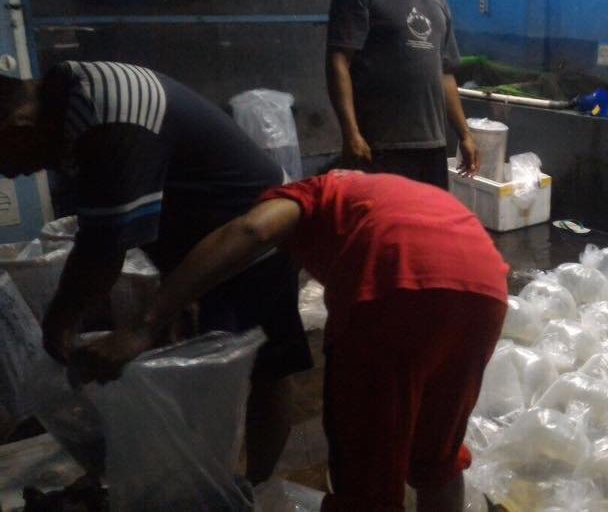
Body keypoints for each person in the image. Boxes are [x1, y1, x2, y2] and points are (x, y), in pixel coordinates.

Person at [74, 170, 509, 511]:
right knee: (437, 456)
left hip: (393, 280)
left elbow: (252, 232)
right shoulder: (373, 193)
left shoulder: (306, 193)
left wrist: (146, 324)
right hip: (485, 287)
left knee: (367, 477)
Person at [0, 62, 311, 484]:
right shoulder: (71, 110)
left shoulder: (108, 119)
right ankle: (207, 474)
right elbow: (101, 230)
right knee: (205, 364)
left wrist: (72, 323)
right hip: (198, 245)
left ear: (17, 127)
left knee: (267, 367)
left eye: (2, 158)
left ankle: (256, 486)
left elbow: (103, 249)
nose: (7, 173)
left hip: (254, 235)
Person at [327, 0, 479, 187]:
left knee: (430, 209)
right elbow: (339, 61)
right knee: (384, 209)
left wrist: (465, 135)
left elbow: (445, 74)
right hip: (379, 146)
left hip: (432, 146)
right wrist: (351, 133)